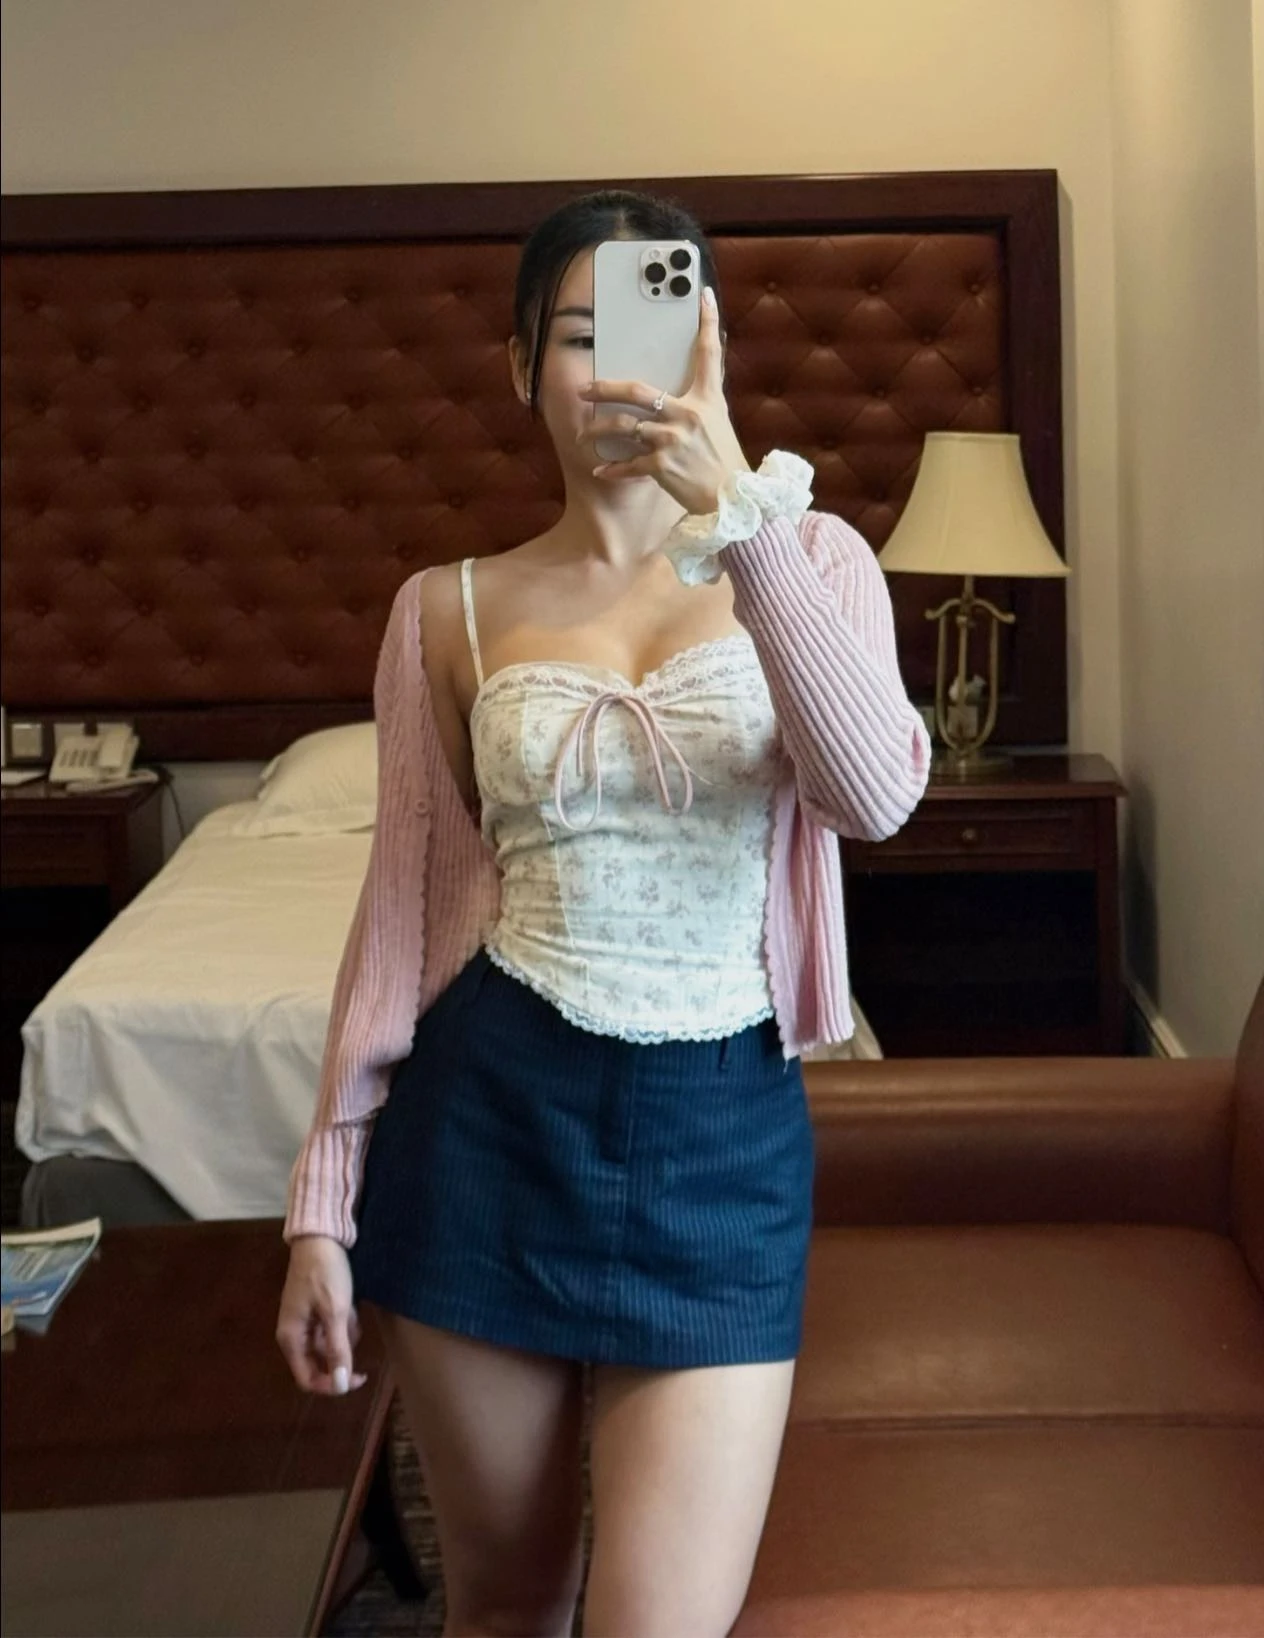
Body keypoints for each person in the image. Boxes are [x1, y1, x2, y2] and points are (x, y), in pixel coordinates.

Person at [276, 188, 930, 1638]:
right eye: (578, 335)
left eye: (654, 327)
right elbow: (398, 917)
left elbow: (874, 794)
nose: (616, 369)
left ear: (711, 347)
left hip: (724, 1138)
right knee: (505, 1604)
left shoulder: (812, 557)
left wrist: (739, 514)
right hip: (485, 1128)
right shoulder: (445, 609)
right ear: (522, 367)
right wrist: (322, 1204)